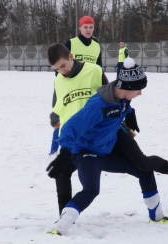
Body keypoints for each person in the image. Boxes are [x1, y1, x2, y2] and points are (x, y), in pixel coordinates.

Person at [47, 58, 168, 235]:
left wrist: (130, 116)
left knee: (144, 169)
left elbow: (124, 107)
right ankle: (59, 227)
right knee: (91, 189)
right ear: (126, 87)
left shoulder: (123, 97)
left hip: (108, 148)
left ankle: (157, 216)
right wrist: (64, 154)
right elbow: (70, 127)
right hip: (87, 151)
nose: (140, 93)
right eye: (138, 89)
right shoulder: (98, 105)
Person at [49, 16, 102, 156]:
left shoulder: (96, 45)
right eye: (85, 27)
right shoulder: (71, 43)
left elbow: (99, 66)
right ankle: (55, 147)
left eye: (91, 27)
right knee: (62, 112)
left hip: (88, 83)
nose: (88, 30)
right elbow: (60, 61)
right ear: (80, 28)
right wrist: (62, 80)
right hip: (68, 81)